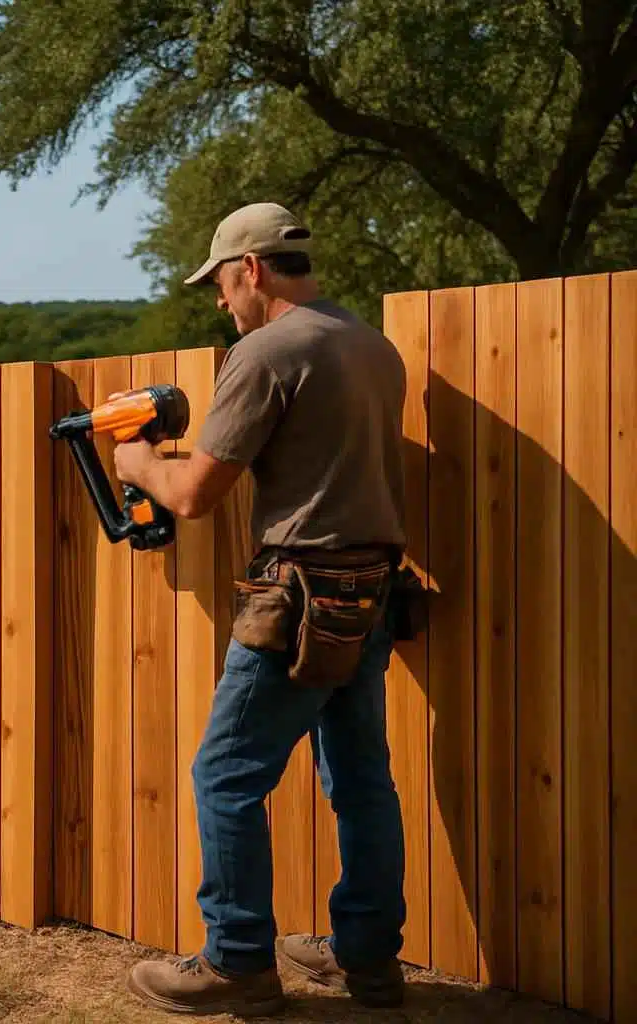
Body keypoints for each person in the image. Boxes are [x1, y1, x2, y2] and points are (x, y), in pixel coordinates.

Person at [108, 202, 412, 1016]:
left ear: (251, 269)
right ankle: (369, 959)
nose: (218, 302)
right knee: (361, 779)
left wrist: (138, 464)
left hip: (298, 598)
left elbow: (199, 495)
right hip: (372, 591)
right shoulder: (373, 348)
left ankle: (236, 960)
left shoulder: (266, 351)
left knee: (225, 775)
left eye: (219, 283)